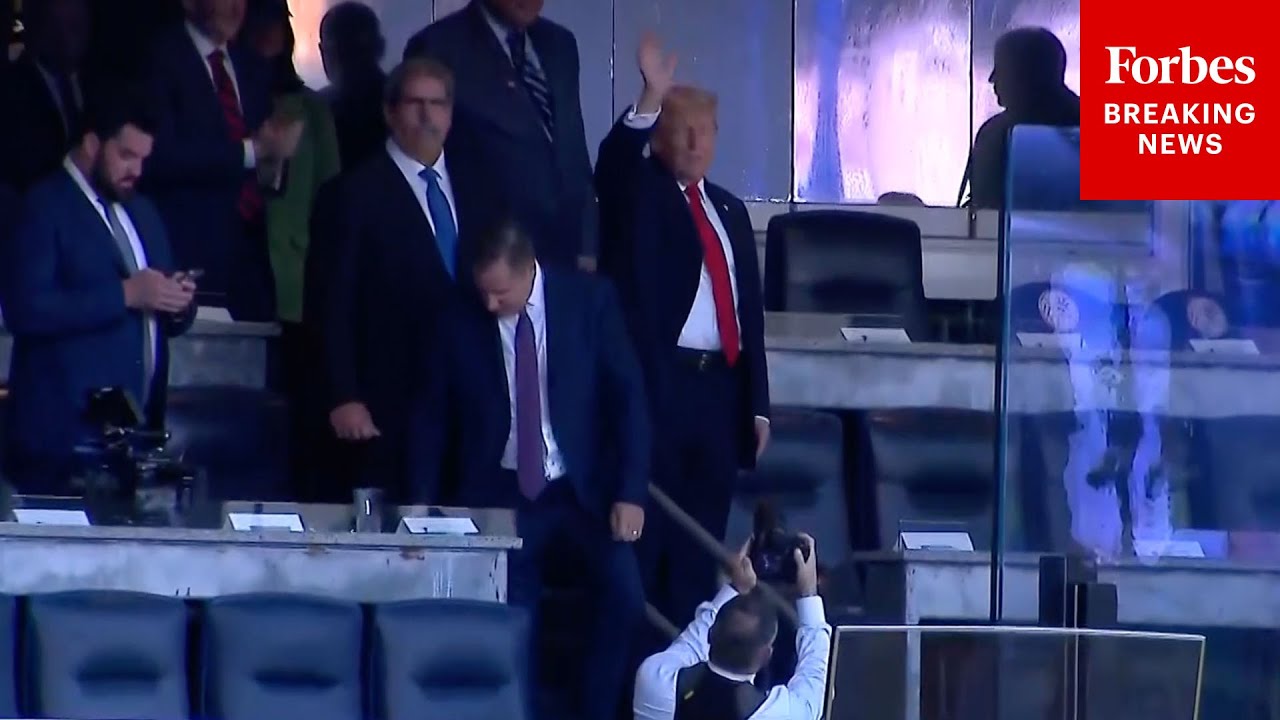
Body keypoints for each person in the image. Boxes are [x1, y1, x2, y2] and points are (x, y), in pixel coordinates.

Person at [409, 219, 649, 720]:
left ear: (527, 271)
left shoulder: (588, 303)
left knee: (625, 596)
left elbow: (627, 399)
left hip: (581, 490)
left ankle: (593, 712)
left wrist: (630, 492)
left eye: (500, 293)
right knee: (511, 614)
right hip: (501, 493)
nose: (489, 304)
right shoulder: (457, 318)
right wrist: (419, 508)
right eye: (483, 292)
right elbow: (431, 418)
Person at [595, 35, 772, 632]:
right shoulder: (639, 194)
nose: (696, 143)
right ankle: (642, 674)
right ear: (659, 138)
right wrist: (650, 95)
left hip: (719, 395)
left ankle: (687, 671)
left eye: (706, 131)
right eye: (683, 130)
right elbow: (613, 164)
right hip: (658, 387)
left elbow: (749, 316)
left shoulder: (730, 210)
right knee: (648, 548)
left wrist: (758, 405)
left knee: (701, 550)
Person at [0, 90, 198, 495]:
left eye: (143, 159)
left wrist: (178, 302)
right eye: (126, 156)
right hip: (63, 442)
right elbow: (25, 309)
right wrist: (125, 294)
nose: (136, 170)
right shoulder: (43, 206)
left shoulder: (142, 211)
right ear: (92, 144)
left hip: (135, 440)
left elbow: (165, 308)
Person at [323, 58, 484, 502]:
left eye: (438, 104)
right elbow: (332, 305)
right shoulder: (352, 194)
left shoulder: (480, 185)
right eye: (415, 103)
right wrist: (344, 395)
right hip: (389, 399)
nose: (427, 115)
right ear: (390, 112)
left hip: (470, 403)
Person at [402, 0, 598, 271]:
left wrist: (587, 243)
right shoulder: (439, 46)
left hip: (564, 256)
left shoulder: (560, 44)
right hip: (489, 259)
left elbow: (573, 147)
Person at [142, 0, 303, 321]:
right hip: (188, 254)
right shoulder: (157, 61)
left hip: (249, 261)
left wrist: (275, 158)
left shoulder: (252, 67)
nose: (235, 7)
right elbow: (159, 155)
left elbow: (264, 160)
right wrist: (252, 151)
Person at [241, 0, 341, 500]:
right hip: (240, 271)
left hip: (297, 276)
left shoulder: (310, 109)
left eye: (276, 27)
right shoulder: (232, 98)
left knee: (297, 399)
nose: (268, 36)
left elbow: (330, 189)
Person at [633, 535, 830, 720]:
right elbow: (814, 673)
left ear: (711, 635)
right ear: (765, 656)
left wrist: (735, 587)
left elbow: (691, 643)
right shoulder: (782, 713)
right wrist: (809, 592)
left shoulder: (656, 679)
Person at [960, 27, 1080, 209]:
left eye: (1002, 68)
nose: (992, 79)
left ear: (1028, 73)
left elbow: (985, 210)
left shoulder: (994, 134)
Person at [0, 0, 91, 190]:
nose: (70, 37)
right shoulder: (13, 91)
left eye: (76, 25)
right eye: (66, 25)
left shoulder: (97, 86)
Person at [318, 1, 387, 170]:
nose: (351, 61)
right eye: (343, 51)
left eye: (356, 50)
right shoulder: (409, 104)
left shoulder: (315, 111)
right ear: (380, 47)